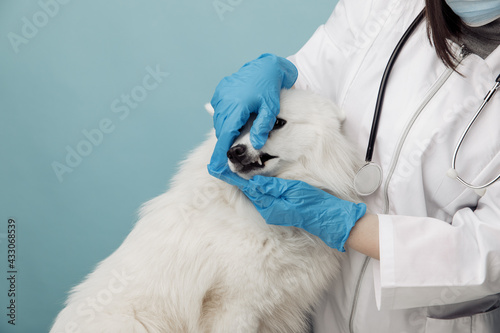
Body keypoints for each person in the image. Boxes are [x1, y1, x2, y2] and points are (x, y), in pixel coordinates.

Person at [208, 0, 500, 332]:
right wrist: (270, 85)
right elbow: (310, 91)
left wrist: (348, 225)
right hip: (317, 306)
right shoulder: (384, 5)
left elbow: (489, 255)